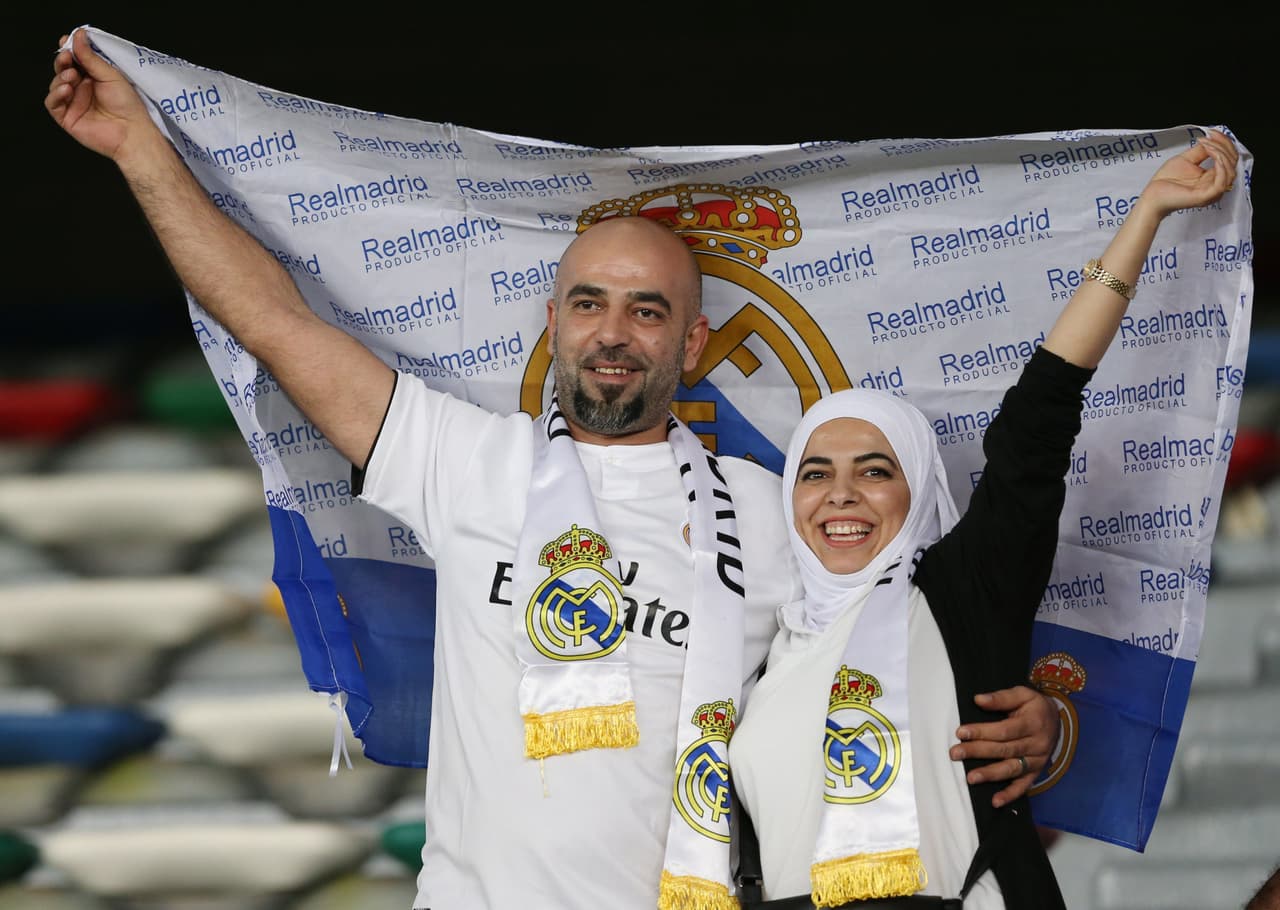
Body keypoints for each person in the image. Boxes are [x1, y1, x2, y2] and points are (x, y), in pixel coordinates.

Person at [45, 28, 1062, 910]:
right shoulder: (464, 461)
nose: (612, 334)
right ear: (554, 322)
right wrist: (137, 148)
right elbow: (270, 320)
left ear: (694, 344)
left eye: (646, 310)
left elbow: (925, 636)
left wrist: (1047, 725)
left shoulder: (771, 512)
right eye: (588, 303)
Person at [727, 131, 1240, 909]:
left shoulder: (964, 590)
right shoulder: (759, 663)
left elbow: (1039, 420)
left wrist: (1147, 213)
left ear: (919, 491)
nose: (840, 494)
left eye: (875, 470)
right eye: (816, 472)